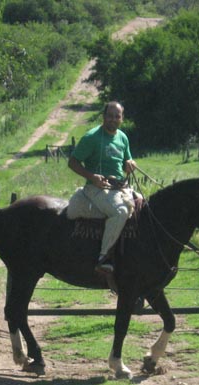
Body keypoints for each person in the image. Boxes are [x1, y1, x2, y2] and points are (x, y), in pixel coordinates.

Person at [68, 101, 137, 275]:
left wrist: (130, 164)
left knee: (143, 205)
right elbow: (72, 162)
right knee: (120, 212)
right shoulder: (92, 137)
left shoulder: (122, 137)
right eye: (110, 115)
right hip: (96, 188)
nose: (113, 119)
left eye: (117, 116)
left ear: (122, 118)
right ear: (104, 117)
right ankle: (104, 258)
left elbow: (126, 162)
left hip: (119, 187)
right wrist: (92, 177)